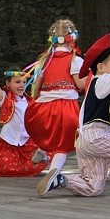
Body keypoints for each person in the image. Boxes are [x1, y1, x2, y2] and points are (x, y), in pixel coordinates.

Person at [37, 32, 110, 198]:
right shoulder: (103, 81)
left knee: (93, 188)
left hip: (85, 142)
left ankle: (61, 180)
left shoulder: (101, 84)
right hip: (97, 137)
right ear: (100, 67)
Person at [23, 18, 86, 173]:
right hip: (66, 107)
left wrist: (35, 103)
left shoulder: (44, 61)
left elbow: (36, 87)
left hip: (44, 106)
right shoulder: (75, 60)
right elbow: (80, 85)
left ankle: (42, 150)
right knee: (62, 144)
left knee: (49, 135)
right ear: (73, 38)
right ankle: (54, 171)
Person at [0, 50, 48, 177]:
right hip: (9, 141)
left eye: (23, 82)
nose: (22, 85)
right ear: (8, 83)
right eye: (17, 82)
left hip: (27, 141)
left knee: (47, 152)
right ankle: (30, 163)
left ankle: (36, 158)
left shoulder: (29, 100)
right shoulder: (5, 99)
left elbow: (39, 82)